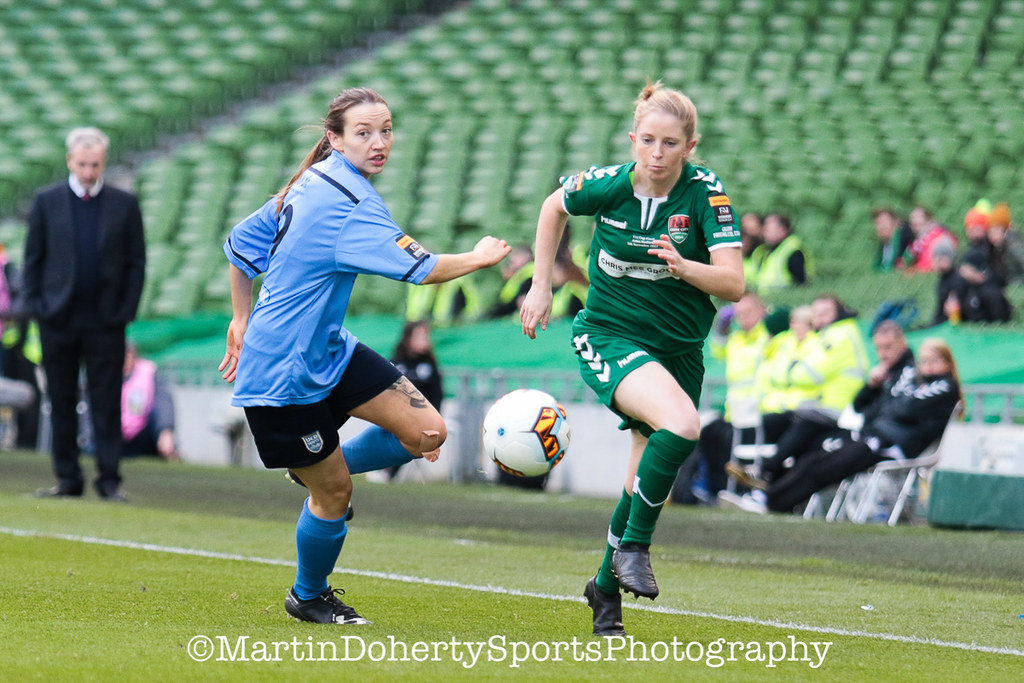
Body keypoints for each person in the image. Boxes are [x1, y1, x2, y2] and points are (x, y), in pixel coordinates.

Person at [218, 88, 509, 626]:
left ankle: (318, 470)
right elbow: (424, 268)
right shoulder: (343, 201)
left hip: (330, 349)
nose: (379, 143)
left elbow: (239, 245)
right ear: (334, 138)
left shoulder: (312, 182)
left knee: (427, 434)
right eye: (364, 133)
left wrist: (241, 314)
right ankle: (309, 596)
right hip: (282, 372)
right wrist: (482, 256)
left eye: (386, 130)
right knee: (336, 494)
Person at [519, 81, 744, 636]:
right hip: (611, 336)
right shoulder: (609, 185)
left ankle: (603, 588)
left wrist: (685, 267)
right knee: (685, 424)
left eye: (671, 143)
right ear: (633, 140)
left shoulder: (707, 196)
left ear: (691, 146)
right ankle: (635, 548)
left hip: (678, 350)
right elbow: (554, 206)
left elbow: (734, 283)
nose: (657, 154)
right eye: (648, 140)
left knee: (643, 478)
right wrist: (541, 284)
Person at [22, 127, 146, 500]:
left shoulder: (124, 203)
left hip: (105, 320)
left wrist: (124, 311)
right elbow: (33, 260)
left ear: (103, 161)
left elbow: (136, 261)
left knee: (106, 400)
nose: (89, 171)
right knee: (60, 399)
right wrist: (38, 307)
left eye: (95, 164)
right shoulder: (47, 201)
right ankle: (68, 479)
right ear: (69, 161)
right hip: (57, 319)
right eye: (82, 164)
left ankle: (109, 480)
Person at [721, 338, 961, 514]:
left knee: (830, 464)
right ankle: (765, 491)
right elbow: (871, 407)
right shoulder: (915, 383)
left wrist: (894, 405)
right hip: (875, 436)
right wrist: (881, 395)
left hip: (893, 445)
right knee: (814, 455)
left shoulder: (944, 386)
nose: (928, 365)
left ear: (948, 363)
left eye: (935, 360)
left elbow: (903, 409)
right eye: (925, 360)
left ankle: (772, 501)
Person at [729, 320, 916, 490]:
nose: (883, 354)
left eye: (888, 347)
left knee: (810, 438)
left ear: (903, 343)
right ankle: (768, 479)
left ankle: (769, 483)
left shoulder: (910, 372)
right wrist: (870, 386)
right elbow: (859, 406)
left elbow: (893, 410)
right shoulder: (885, 372)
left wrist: (869, 412)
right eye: (879, 348)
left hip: (877, 439)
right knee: (806, 428)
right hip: (865, 431)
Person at [121, 342, 178, 460]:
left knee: (156, 411)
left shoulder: (148, 372)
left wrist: (166, 430)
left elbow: (164, 402)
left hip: (142, 433)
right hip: (112, 433)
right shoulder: (105, 374)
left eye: (128, 356)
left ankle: (167, 451)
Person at [749, 213, 812, 292]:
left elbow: (800, 284)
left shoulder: (792, 251)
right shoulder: (766, 250)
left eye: (768, 229)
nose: (764, 233)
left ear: (783, 230)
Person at [902, 205, 956, 273]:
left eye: (918, 217)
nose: (914, 221)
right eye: (912, 218)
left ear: (928, 219)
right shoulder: (920, 239)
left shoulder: (936, 233)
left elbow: (929, 264)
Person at [987, 202, 1024, 284]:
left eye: (996, 231)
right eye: (990, 231)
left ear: (1005, 231)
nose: (992, 235)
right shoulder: (998, 247)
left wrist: (1014, 283)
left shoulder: (1014, 246)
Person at [870, 206, 914, 272]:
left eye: (884, 222)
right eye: (878, 223)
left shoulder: (905, 241)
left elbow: (904, 265)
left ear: (896, 222)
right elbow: (876, 267)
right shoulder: (884, 245)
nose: (881, 226)